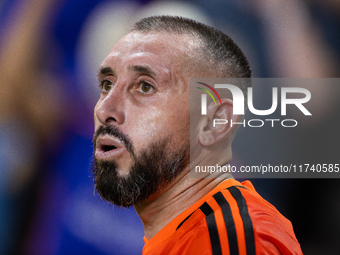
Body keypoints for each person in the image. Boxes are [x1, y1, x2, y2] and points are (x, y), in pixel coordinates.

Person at [92, 15, 303, 255]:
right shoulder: (200, 234)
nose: (104, 109)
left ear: (215, 123)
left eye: (145, 86)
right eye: (107, 84)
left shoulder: (230, 240)